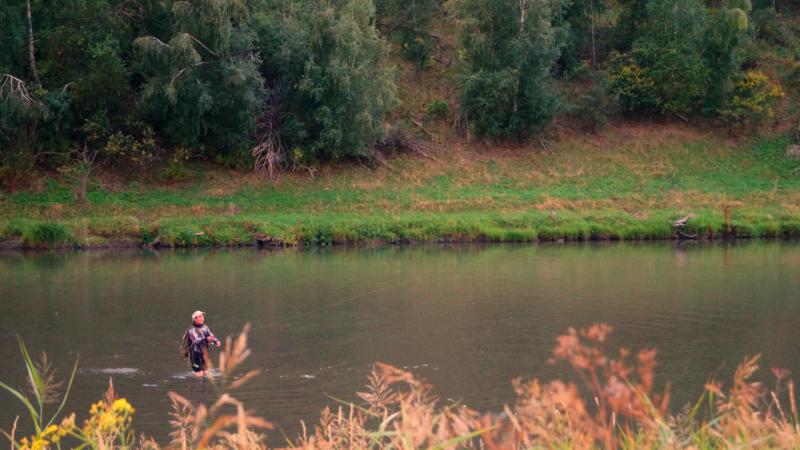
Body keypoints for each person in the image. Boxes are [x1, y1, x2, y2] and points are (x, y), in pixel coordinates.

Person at [188, 310, 220, 377]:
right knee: (199, 374)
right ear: (195, 319)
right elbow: (195, 340)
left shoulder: (205, 328)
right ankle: (195, 385)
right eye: (199, 317)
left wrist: (216, 341)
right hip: (195, 355)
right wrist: (206, 339)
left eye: (202, 316)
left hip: (204, 355)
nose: (202, 318)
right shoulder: (191, 330)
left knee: (206, 373)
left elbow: (211, 336)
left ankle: (204, 387)